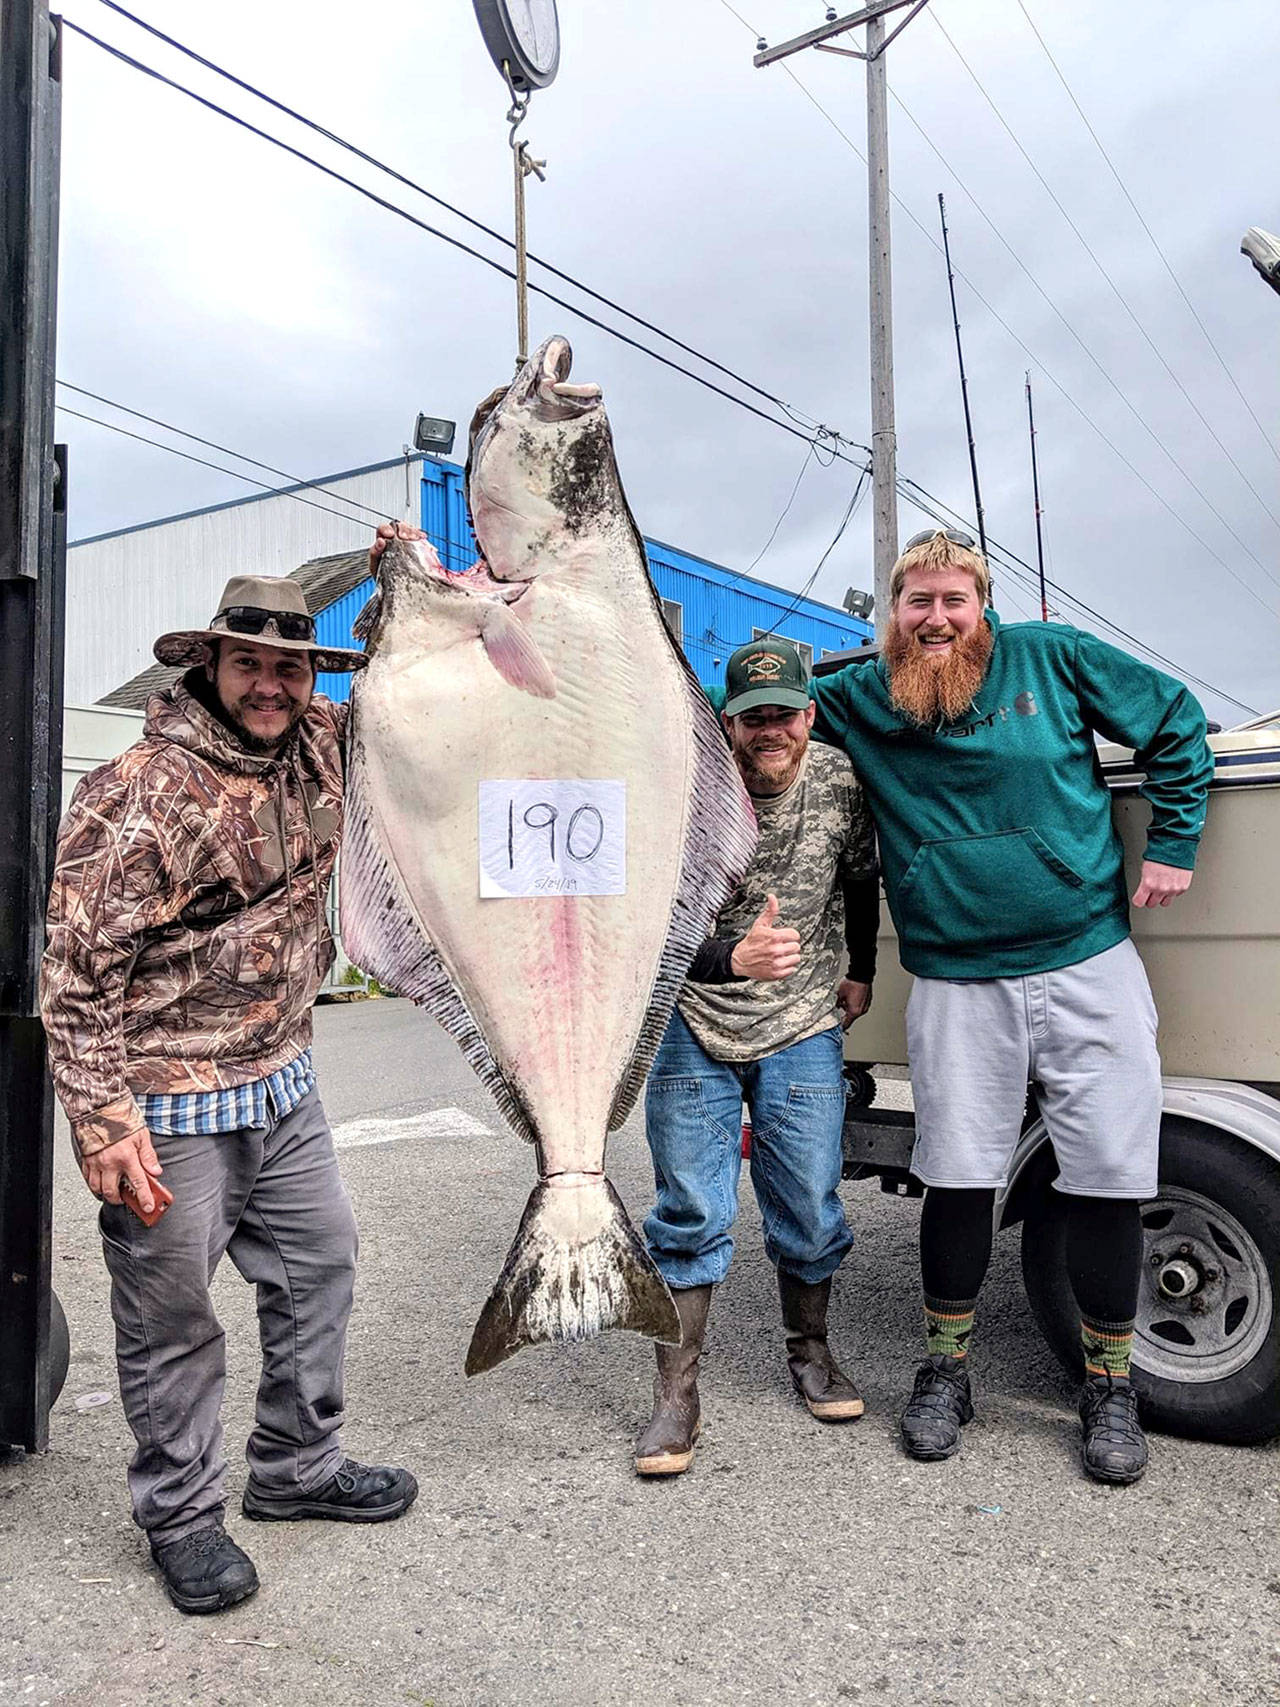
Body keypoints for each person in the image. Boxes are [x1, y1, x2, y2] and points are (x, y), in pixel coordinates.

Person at [40, 536, 422, 1615]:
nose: (271, 686)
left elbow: (410, 685)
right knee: (172, 1320)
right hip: (167, 1103)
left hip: (282, 1082)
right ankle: (181, 1517)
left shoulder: (320, 745)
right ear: (209, 664)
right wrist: (102, 1119)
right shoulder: (139, 792)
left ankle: (297, 1467)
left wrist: (407, 582)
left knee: (319, 1267)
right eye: (249, 663)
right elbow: (75, 970)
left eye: (290, 668)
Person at [809, 528, 1213, 1484]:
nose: (936, 618)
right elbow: (738, 713)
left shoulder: (1053, 656)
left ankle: (1109, 1386)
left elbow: (1175, 719)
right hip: (956, 979)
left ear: (982, 606)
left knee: (1108, 1177)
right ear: (893, 612)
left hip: (1087, 961)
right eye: (918, 601)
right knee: (956, 1176)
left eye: (954, 600)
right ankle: (946, 1371)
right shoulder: (861, 694)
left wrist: (1174, 841)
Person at [635, 636, 879, 1476]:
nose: (768, 730)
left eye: (783, 714)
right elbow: (646, 920)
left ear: (809, 713)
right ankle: (676, 1393)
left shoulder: (840, 779)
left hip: (803, 1019)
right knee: (690, 1210)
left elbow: (859, 877)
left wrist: (861, 968)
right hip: (693, 1016)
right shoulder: (688, 789)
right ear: (727, 722)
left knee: (810, 1202)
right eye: (751, 718)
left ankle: (811, 1352)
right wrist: (729, 959)